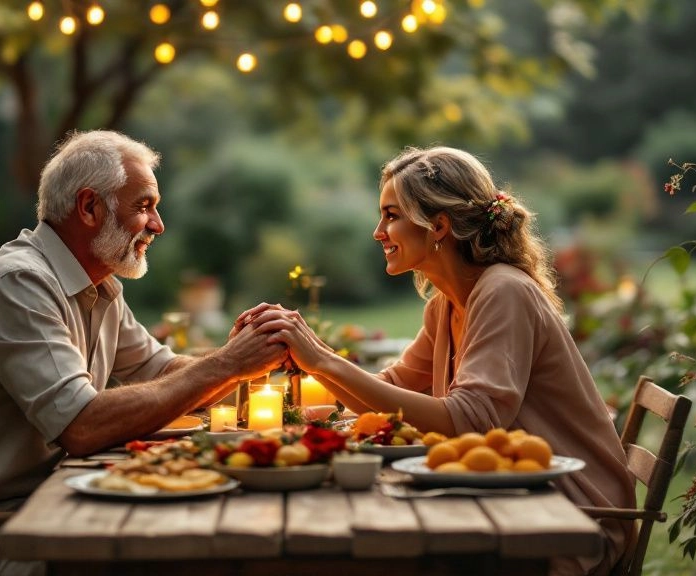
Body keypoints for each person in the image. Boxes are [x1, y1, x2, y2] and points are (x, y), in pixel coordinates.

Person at [244, 146, 635, 576]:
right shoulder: (445, 305)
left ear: (439, 226)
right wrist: (308, 361)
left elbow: (470, 421)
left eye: (391, 215)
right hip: (507, 495)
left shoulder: (504, 292)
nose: (378, 232)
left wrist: (322, 360)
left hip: (567, 516)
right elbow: (392, 387)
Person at [0, 130, 287, 576]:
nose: (158, 225)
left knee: (204, 530)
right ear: (89, 207)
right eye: (144, 206)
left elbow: (161, 369)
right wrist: (227, 364)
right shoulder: (17, 284)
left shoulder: (97, 284)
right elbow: (81, 426)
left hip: (54, 505)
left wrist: (255, 362)